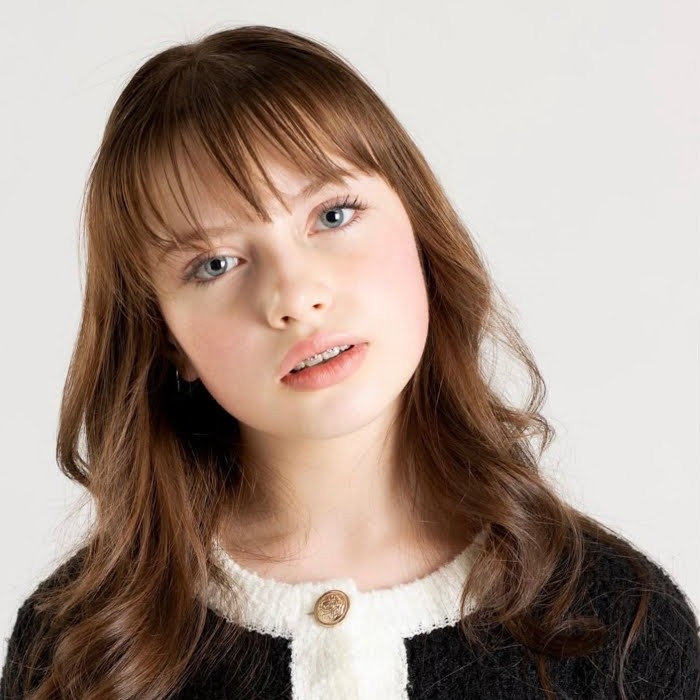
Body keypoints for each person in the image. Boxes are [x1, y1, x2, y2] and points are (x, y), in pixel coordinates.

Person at [1, 24, 698, 700]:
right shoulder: (82, 649)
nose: (295, 297)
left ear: (421, 231)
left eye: (332, 216)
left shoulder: (620, 625)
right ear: (166, 338)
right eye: (215, 264)